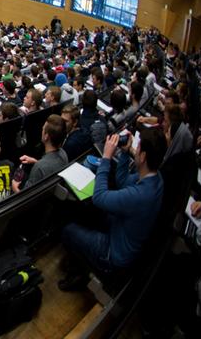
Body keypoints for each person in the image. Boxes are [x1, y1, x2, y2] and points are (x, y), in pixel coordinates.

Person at [59, 130, 167, 290]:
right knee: (88, 213)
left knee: (68, 230)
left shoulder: (140, 195)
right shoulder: (155, 178)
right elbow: (122, 181)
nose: (135, 151)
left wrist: (106, 158)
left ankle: (79, 274)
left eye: (137, 149)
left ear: (143, 156)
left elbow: (99, 197)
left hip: (114, 254)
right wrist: (124, 153)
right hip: (121, 229)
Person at [15, 115, 69, 191]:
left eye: (43, 129)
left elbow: (28, 197)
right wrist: (36, 161)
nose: (41, 130)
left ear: (46, 136)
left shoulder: (39, 167)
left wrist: (15, 188)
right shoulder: (63, 153)